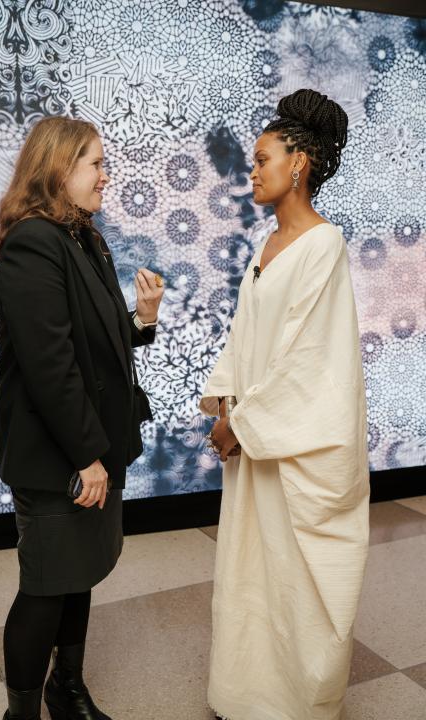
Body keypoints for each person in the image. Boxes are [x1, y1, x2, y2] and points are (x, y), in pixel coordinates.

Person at [0, 116, 164, 720]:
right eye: (96, 163)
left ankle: (68, 688)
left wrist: (141, 317)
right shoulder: (33, 241)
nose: (105, 176)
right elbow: (50, 365)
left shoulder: (83, 237)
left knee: (79, 573)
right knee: (44, 588)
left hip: (91, 446)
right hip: (58, 454)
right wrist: (88, 455)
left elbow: (96, 341)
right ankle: (21, 713)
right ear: (59, 168)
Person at [200, 89, 370, 720]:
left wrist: (240, 424)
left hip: (290, 444)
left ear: (299, 163)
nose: (253, 170)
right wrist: (225, 407)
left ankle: (296, 704)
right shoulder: (266, 249)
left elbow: (312, 360)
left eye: (262, 158)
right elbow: (248, 338)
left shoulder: (323, 246)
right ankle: (246, 695)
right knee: (252, 571)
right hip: (254, 438)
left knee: (295, 576)